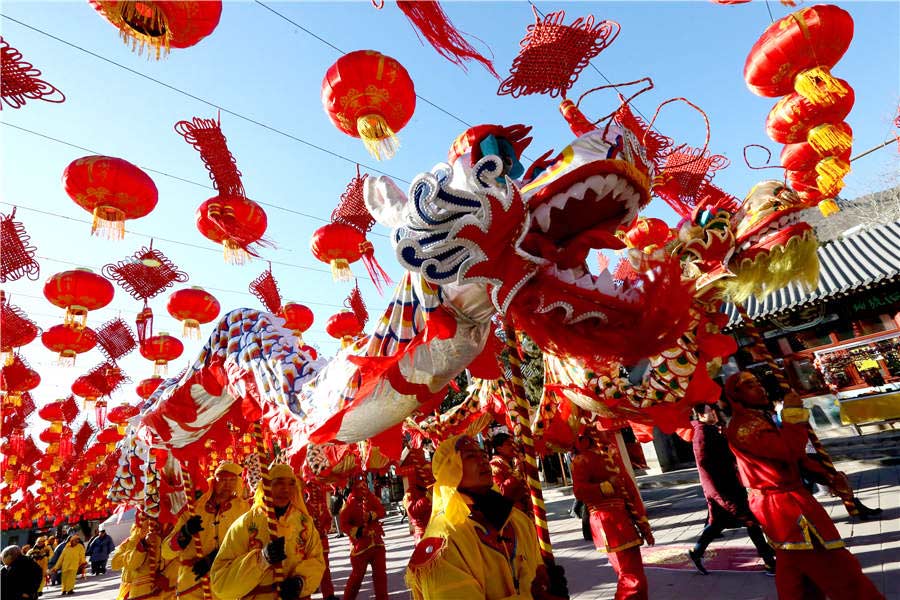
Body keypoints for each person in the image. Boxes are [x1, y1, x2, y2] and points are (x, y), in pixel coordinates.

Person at [724, 372, 884, 600]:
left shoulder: (759, 418)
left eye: (758, 382)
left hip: (787, 498)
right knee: (838, 569)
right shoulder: (743, 427)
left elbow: (796, 460)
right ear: (736, 395)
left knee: (796, 580)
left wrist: (826, 476)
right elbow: (788, 450)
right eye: (750, 385)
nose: (759, 388)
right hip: (783, 506)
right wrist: (792, 414)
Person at [406, 435, 568, 599]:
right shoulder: (442, 540)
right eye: (471, 456)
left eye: (483, 455)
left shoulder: (518, 520)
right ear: (450, 470)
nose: (483, 461)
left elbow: (535, 576)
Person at [210, 463, 325, 600]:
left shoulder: (305, 523)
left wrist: (300, 581)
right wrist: (262, 559)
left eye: (291, 484)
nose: (286, 489)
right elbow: (220, 583)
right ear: (266, 486)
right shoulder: (245, 524)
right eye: (278, 483)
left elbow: (317, 561)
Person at [687, 404, 776, 575]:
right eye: (708, 411)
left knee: (717, 524)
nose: (713, 413)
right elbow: (706, 467)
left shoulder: (711, 430)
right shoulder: (703, 434)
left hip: (730, 484)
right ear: (699, 415)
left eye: (713, 410)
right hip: (722, 488)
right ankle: (769, 561)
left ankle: (697, 551)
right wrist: (718, 494)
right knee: (751, 522)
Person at [571, 429, 652, 600]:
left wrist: (643, 522)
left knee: (634, 575)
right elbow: (579, 491)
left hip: (625, 519)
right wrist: (604, 486)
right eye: (601, 429)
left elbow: (629, 488)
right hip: (607, 522)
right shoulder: (581, 460)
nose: (607, 433)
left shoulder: (612, 454)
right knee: (631, 578)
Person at [162, 461, 249, 599]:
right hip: (191, 583)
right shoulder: (194, 508)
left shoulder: (244, 510)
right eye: (223, 479)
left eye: (232, 480)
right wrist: (185, 533)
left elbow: (246, 545)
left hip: (225, 580)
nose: (228, 484)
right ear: (214, 481)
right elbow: (166, 552)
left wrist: (212, 559)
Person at [340, 475, 388, 600]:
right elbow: (344, 524)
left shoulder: (371, 497)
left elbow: (382, 511)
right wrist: (358, 531)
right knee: (357, 577)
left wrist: (372, 515)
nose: (363, 487)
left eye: (364, 484)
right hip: (360, 547)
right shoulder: (350, 502)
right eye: (360, 485)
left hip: (377, 543)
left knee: (380, 576)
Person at [302, 470, 338, 600]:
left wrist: (325, 529)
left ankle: (329, 595)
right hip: (310, 545)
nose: (315, 491)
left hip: (322, 542)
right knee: (310, 571)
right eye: (312, 488)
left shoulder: (322, 505)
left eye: (316, 488)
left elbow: (328, 519)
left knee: (325, 569)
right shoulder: (304, 507)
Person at [490, 432, 532, 513]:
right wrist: (518, 471)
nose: (513, 446)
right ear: (499, 449)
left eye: (513, 443)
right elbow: (501, 491)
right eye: (509, 444)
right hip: (513, 512)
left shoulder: (513, 461)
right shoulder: (495, 464)